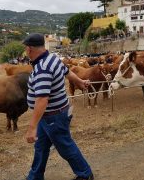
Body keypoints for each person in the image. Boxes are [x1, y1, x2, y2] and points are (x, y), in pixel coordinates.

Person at [23, 33, 94, 180]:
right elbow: (67, 72)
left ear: (29, 49)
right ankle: (35, 176)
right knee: (41, 148)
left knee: (65, 147)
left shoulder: (42, 68)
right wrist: (80, 81)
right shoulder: (52, 58)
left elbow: (42, 99)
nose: (25, 51)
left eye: (25, 48)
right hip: (49, 116)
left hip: (53, 116)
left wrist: (32, 127)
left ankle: (85, 174)